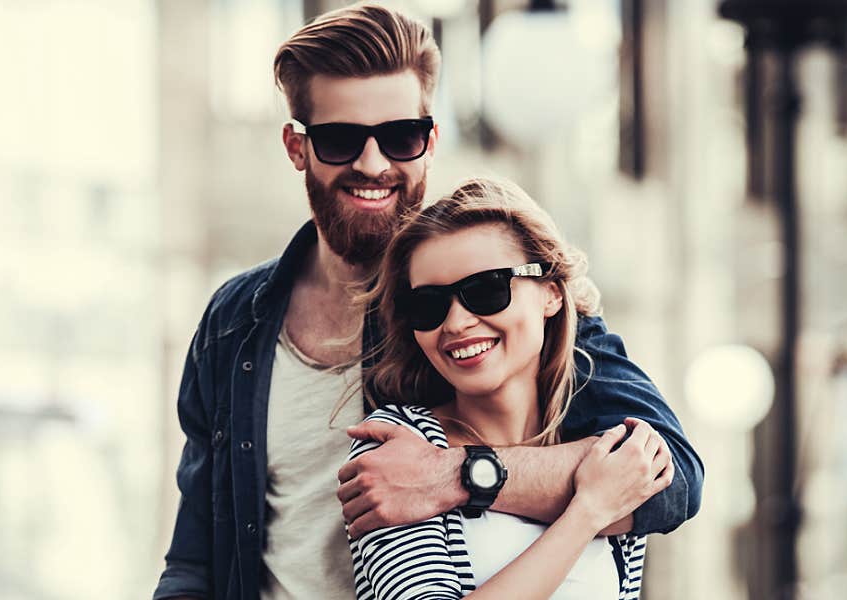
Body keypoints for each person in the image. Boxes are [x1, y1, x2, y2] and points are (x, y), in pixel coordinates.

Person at [153, 4, 702, 600]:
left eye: (400, 136)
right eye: (340, 140)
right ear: (296, 147)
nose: (372, 163)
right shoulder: (234, 323)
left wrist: (454, 475)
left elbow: (673, 480)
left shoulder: (513, 305)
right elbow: (196, 559)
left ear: (430, 141)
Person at [346, 177, 672, 600]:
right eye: (428, 304)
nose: (456, 323)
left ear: (551, 294)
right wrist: (587, 513)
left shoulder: (601, 445)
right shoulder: (400, 444)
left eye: (486, 290)